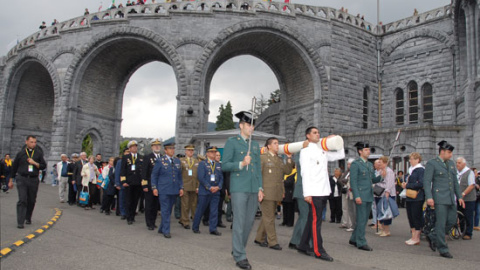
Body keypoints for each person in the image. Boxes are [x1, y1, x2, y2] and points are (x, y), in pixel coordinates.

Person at [222, 111, 263, 270]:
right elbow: (225, 165)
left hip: (253, 187)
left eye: (253, 125)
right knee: (239, 222)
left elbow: (258, 167)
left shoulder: (254, 144)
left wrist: (260, 187)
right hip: (239, 187)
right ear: (241, 125)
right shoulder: (232, 142)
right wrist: (241, 163)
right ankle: (240, 255)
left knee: (249, 222)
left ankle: (237, 248)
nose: (251, 127)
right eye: (248, 124)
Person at [297, 127, 344, 262]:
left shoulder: (322, 149)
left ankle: (303, 245)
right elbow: (304, 173)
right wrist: (307, 193)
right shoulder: (305, 151)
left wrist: (338, 142)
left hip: (323, 190)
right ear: (308, 136)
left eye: (318, 133)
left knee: (312, 220)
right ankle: (319, 250)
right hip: (314, 192)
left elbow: (339, 155)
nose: (318, 135)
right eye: (314, 133)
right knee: (316, 222)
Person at [424, 140, 465, 258]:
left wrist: (460, 196)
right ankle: (442, 248)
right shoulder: (432, 163)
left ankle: (433, 235)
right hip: (439, 198)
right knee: (441, 224)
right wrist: (429, 197)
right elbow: (427, 182)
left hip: (450, 198)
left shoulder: (451, 164)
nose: (451, 155)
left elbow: (455, 183)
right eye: (449, 152)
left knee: (452, 220)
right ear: (442, 152)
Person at [254, 137, 294, 250]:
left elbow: (287, 171)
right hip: (266, 192)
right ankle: (272, 242)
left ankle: (259, 238)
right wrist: (259, 189)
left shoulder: (279, 159)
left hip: (276, 192)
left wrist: (289, 158)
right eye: (275, 143)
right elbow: (258, 175)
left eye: (278, 143)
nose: (278, 145)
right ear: (269, 146)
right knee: (270, 218)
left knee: (267, 216)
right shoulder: (262, 158)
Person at [349, 142, 383, 251]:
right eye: (366, 150)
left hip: (368, 195)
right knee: (362, 219)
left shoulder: (369, 164)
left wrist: (381, 175)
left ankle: (354, 238)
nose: (368, 152)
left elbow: (373, 179)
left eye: (369, 150)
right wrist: (356, 196)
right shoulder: (356, 164)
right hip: (361, 195)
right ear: (360, 151)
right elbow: (353, 181)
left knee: (362, 219)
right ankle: (361, 242)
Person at [9, 135, 47, 228]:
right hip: (22, 178)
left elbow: (43, 166)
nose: (33, 144)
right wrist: (10, 180)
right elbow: (14, 167)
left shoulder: (38, 153)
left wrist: (34, 163)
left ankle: (28, 216)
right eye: (31, 142)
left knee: (31, 200)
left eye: (35, 142)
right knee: (22, 199)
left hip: (33, 179)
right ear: (26, 142)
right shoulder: (21, 153)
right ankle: (20, 222)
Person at [151, 142, 183, 238]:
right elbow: (154, 175)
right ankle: (166, 230)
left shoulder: (177, 161)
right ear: (165, 150)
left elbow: (179, 176)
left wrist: (181, 187)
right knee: (165, 210)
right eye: (170, 148)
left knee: (169, 210)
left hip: (174, 190)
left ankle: (161, 228)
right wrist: (154, 187)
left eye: (173, 148)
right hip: (164, 189)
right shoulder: (160, 161)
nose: (172, 150)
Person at [192, 146, 223, 235]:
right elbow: (201, 177)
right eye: (212, 152)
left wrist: (218, 186)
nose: (214, 154)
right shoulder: (202, 164)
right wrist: (209, 187)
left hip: (215, 191)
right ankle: (195, 226)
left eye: (215, 152)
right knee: (200, 209)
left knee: (214, 211)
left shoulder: (217, 164)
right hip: (205, 191)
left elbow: (221, 178)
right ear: (207, 154)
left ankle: (213, 229)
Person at [402, 152, 425, 245]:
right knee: (410, 216)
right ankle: (413, 236)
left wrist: (408, 185)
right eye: (410, 159)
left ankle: (416, 237)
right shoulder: (411, 170)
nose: (410, 161)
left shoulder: (420, 170)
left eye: (412, 159)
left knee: (416, 216)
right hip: (410, 196)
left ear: (417, 160)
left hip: (417, 197)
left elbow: (421, 183)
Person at [288, 146, 308, 249]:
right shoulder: (302, 154)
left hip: (307, 190)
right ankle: (304, 242)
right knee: (306, 216)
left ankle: (295, 240)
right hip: (303, 191)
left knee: (303, 217)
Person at [120, 140, 144, 225]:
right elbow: (122, 170)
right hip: (129, 182)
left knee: (135, 200)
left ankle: (132, 216)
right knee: (128, 200)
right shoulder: (125, 158)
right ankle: (129, 217)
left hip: (137, 182)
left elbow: (143, 171)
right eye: (133, 147)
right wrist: (123, 181)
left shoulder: (141, 157)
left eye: (135, 146)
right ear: (129, 148)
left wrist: (143, 181)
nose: (134, 148)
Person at [141, 138, 163, 230]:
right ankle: (149, 223)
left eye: (158, 145)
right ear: (152, 147)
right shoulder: (148, 157)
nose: (157, 147)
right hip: (150, 185)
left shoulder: (162, 157)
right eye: (155, 145)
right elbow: (144, 172)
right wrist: (144, 185)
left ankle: (153, 222)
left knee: (156, 205)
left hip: (160, 185)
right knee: (149, 205)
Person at [179, 144, 200, 229]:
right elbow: (179, 174)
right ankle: (185, 221)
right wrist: (180, 186)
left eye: (192, 150)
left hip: (194, 186)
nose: (190, 152)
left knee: (194, 205)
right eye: (189, 150)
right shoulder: (181, 161)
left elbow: (199, 175)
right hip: (185, 185)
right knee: (185, 205)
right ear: (185, 151)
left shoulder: (196, 161)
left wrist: (198, 186)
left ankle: (193, 219)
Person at [374, 156, 396, 237]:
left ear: (386, 163)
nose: (379, 164)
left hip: (385, 194)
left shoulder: (389, 171)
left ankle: (386, 230)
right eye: (379, 162)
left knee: (386, 212)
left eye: (381, 162)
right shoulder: (379, 171)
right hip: (378, 193)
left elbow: (389, 183)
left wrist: (387, 192)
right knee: (380, 211)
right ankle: (382, 229)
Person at [456, 157, 476, 240]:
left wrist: (463, 193)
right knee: (460, 216)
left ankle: (468, 233)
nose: (457, 164)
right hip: (459, 198)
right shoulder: (457, 173)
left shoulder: (469, 172)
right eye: (457, 162)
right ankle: (462, 231)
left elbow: (471, 185)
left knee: (468, 216)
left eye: (459, 163)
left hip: (468, 199)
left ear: (464, 164)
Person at [339, 158, 355, 232]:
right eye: (348, 164)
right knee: (344, 207)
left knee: (351, 208)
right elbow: (340, 179)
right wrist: (344, 182)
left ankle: (351, 224)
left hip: (351, 191)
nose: (348, 166)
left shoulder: (354, 171)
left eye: (350, 164)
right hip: (345, 190)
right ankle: (345, 222)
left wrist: (347, 181)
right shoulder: (346, 172)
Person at [115, 148, 130, 219]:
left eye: (129, 152)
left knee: (129, 199)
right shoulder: (120, 162)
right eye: (127, 152)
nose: (128, 153)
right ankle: (123, 213)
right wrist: (117, 183)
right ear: (124, 153)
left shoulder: (132, 161)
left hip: (130, 183)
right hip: (122, 183)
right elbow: (117, 173)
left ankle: (128, 212)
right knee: (122, 199)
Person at [215, 151, 227, 228]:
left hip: (221, 189)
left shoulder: (222, 166)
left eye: (219, 155)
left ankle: (219, 221)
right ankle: (206, 219)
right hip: (212, 189)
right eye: (217, 155)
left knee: (219, 207)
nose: (218, 157)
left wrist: (225, 189)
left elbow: (225, 178)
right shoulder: (211, 164)